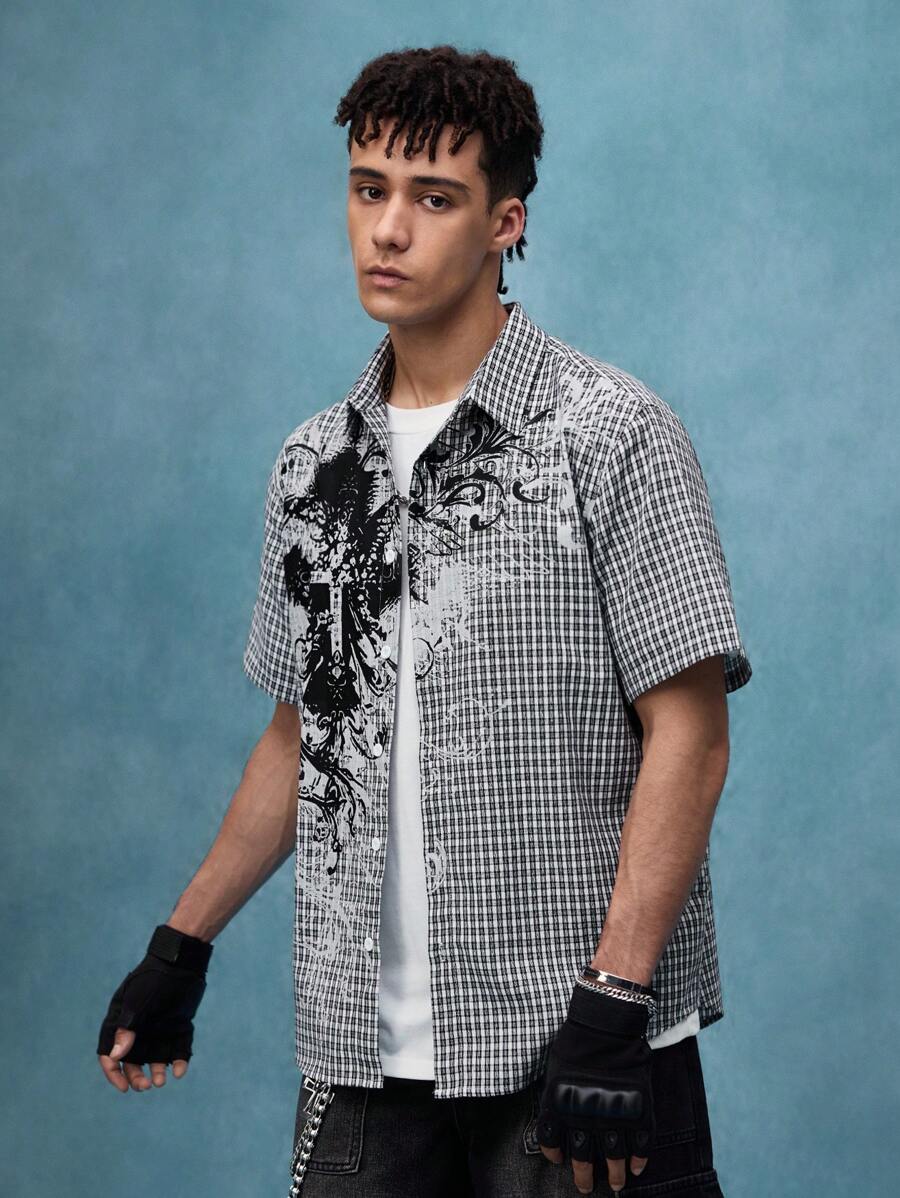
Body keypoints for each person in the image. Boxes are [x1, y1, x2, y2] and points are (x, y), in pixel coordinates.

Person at [97, 43, 752, 1198]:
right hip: (364, 1064)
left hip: (574, 1050)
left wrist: (617, 996)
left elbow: (689, 734)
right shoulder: (314, 465)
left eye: (433, 198)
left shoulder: (609, 433)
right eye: (369, 189)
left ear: (505, 222)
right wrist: (181, 943)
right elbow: (303, 736)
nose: (389, 230)